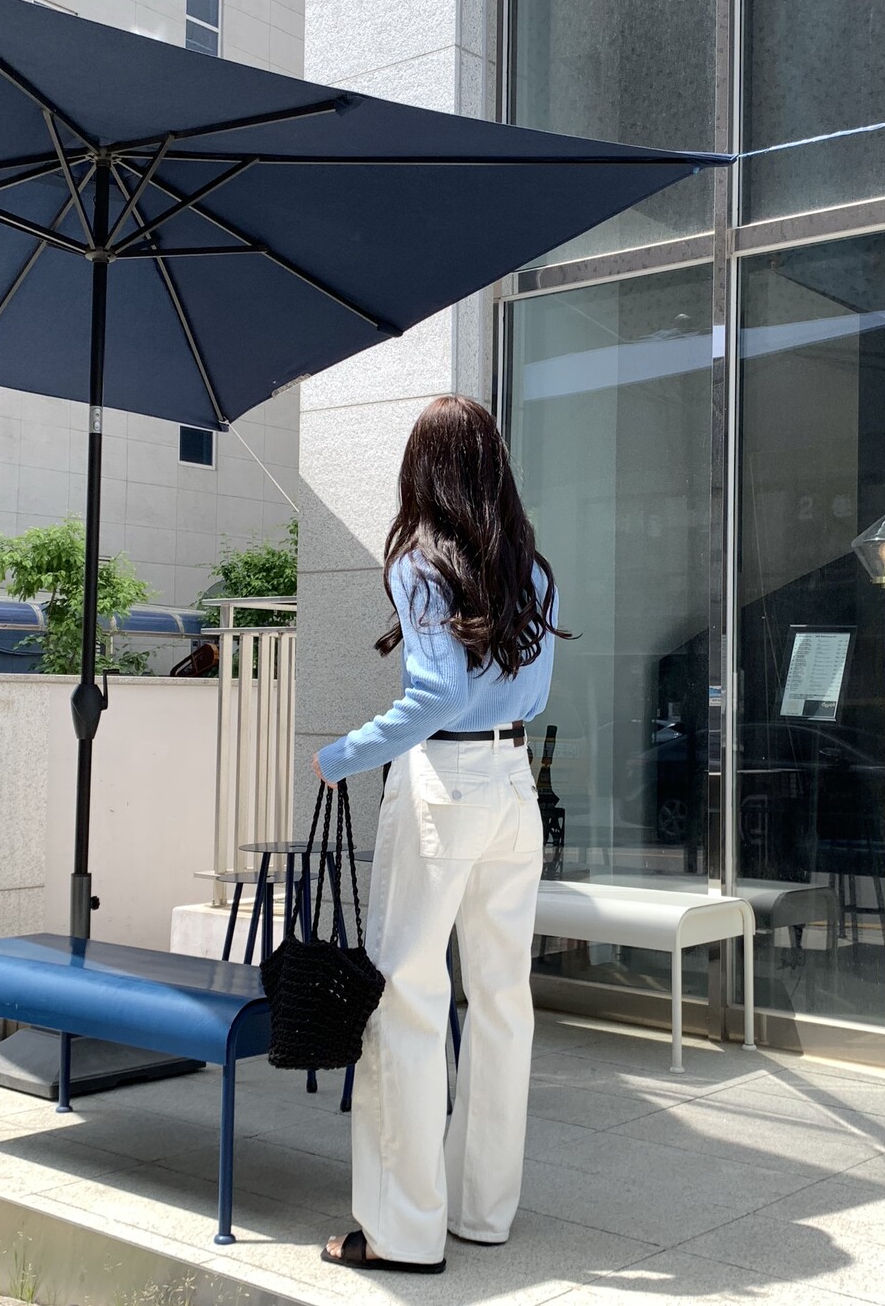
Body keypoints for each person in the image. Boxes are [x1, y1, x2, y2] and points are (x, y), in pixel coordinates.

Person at [312, 393, 567, 1274]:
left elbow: (438, 696)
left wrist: (342, 754)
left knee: (407, 999)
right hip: (512, 784)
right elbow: (529, 690)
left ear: (422, 469)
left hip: (443, 784)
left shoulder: (421, 564)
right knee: (501, 1002)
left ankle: (401, 1233)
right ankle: (481, 1211)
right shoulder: (534, 571)